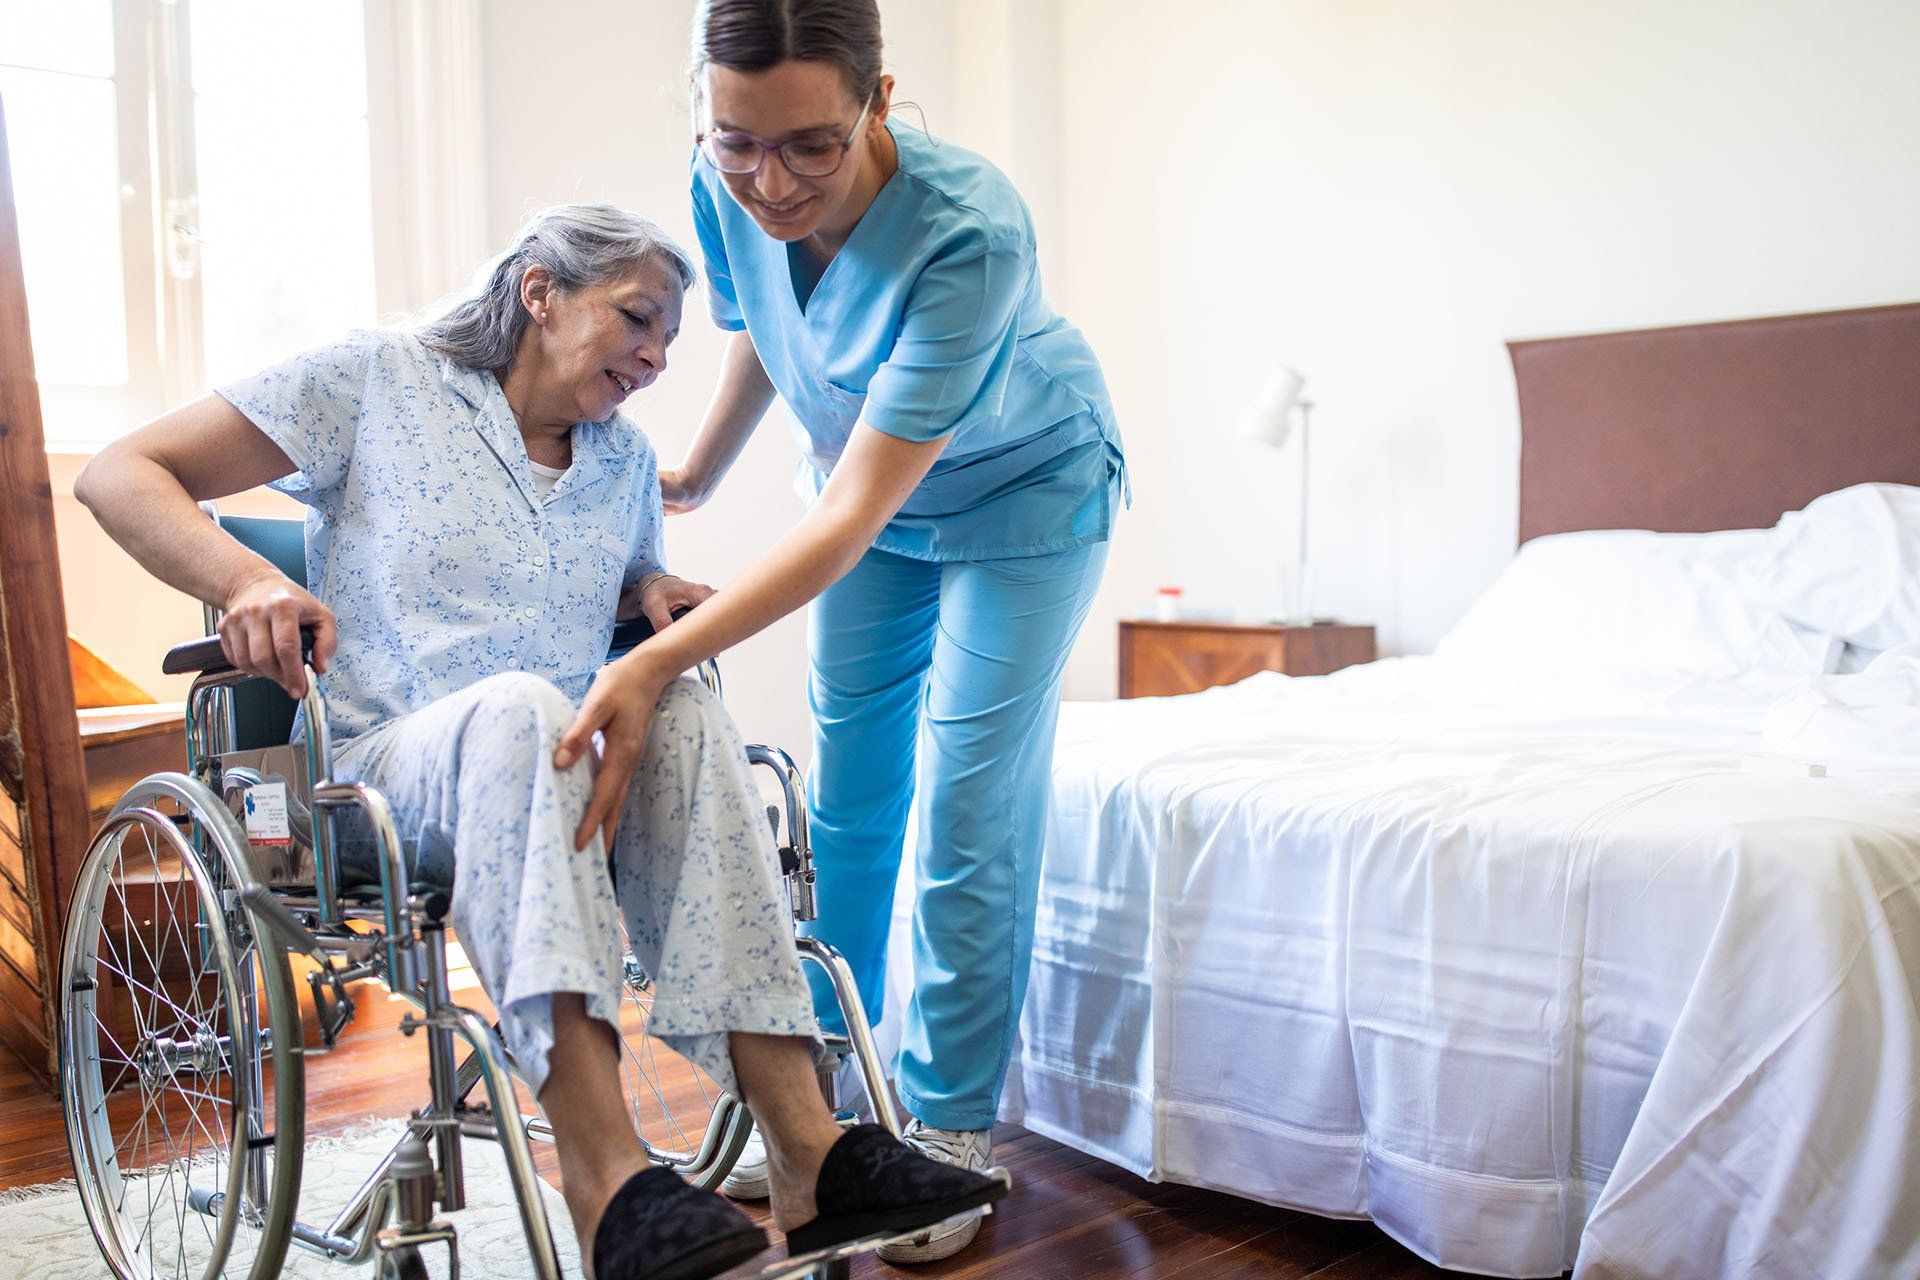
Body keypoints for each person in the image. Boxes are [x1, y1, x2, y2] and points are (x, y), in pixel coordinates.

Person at [74, 203, 1002, 1280]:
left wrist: (649, 587)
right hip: (390, 769)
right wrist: (246, 578)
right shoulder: (378, 378)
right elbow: (120, 470)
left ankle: (808, 1149)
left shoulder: (622, 460)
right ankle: (609, 1181)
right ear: (539, 290)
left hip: (565, 776)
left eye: (670, 341)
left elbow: (605, 590)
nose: (656, 357)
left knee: (684, 701)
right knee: (521, 704)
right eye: (638, 319)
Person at [556, 2, 1126, 1261]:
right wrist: (697, 468)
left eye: (810, 147)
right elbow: (775, 327)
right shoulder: (727, 177)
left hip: (1019, 498)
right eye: (738, 145)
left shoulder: (969, 232)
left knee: (969, 797)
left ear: (879, 101)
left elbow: (859, 511)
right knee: (847, 805)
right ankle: (818, 1110)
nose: (772, 183)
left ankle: (950, 1122)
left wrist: (654, 660)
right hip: (866, 496)